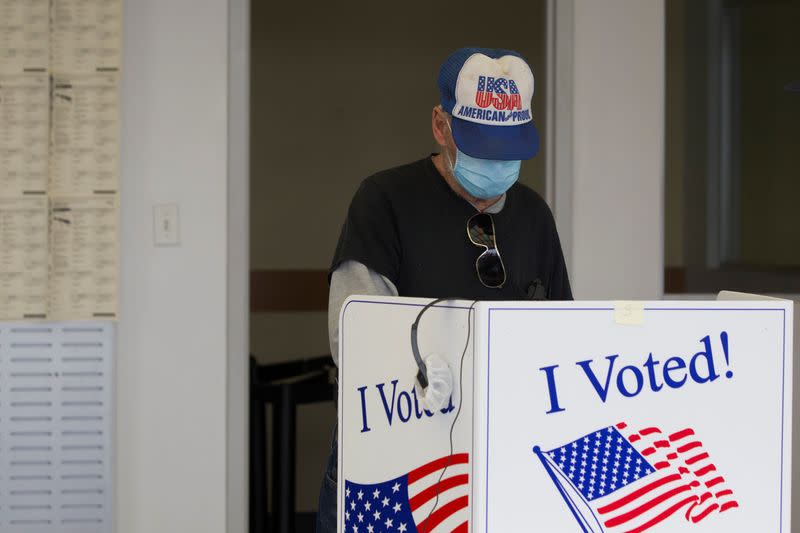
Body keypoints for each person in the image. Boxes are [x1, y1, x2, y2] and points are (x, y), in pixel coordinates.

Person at [315, 47, 572, 533]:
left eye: (508, 149)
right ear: (441, 125)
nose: (497, 167)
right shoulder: (384, 201)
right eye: (481, 146)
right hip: (395, 466)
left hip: (500, 459)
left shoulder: (534, 216)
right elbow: (352, 336)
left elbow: (561, 336)